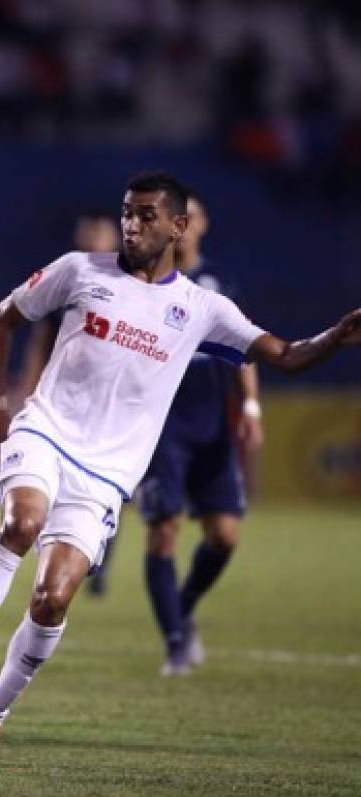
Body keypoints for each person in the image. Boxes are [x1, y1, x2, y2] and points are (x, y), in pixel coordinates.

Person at [0, 171, 359, 767]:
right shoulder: (81, 271)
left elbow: (283, 355)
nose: (132, 224)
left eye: (147, 215)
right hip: (46, 431)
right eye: (127, 212)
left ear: (178, 227)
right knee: (21, 524)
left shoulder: (202, 308)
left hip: (106, 474)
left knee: (53, 598)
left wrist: (335, 337)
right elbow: (4, 317)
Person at [138, 193, 263, 675]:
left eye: (192, 217)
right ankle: (174, 642)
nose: (183, 227)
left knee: (225, 535)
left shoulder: (219, 284)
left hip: (211, 423)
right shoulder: (144, 281)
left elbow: (244, 346)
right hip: (162, 425)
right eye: (176, 218)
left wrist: (251, 405)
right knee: (163, 529)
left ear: (202, 225)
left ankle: (183, 608)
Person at [19, 209, 120, 596]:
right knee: (50, 486)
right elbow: (39, 342)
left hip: (111, 409)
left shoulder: (134, 285)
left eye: (100, 229)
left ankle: (95, 557)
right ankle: (56, 552)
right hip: (60, 404)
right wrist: (27, 388)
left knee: (106, 487)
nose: (93, 235)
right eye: (88, 229)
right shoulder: (70, 280)